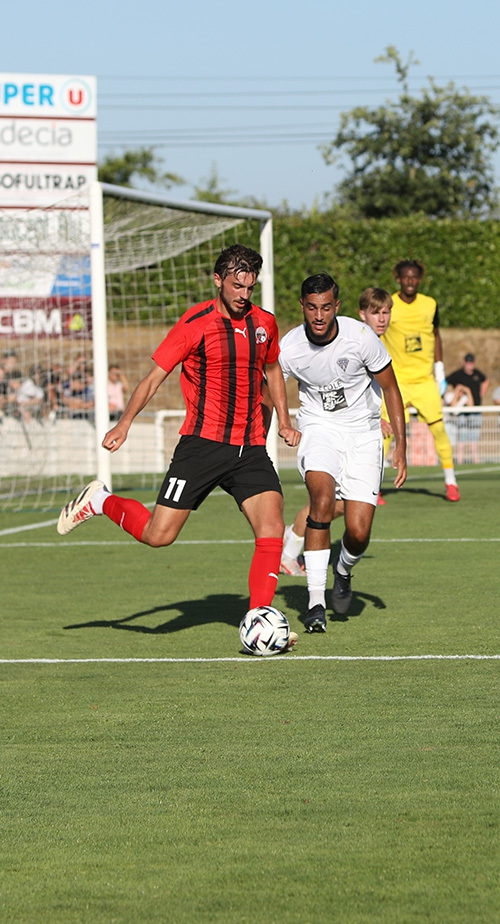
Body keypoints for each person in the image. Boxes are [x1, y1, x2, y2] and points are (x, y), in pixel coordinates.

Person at [57, 244, 301, 624]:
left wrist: (284, 421)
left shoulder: (264, 323)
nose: (243, 294)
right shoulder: (195, 323)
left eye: (249, 287)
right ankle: (100, 500)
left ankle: (259, 619)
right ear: (217, 280)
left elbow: (272, 372)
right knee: (159, 535)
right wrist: (124, 422)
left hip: (249, 448)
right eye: (236, 286)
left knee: (271, 528)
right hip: (202, 446)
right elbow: (154, 377)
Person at [279, 273, 406, 632]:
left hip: (363, 433)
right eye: (311, 308)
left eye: (326, 307)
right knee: (320, 501)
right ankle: (315, 603)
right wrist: (279, 423)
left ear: (336, 306)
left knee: (358, 531)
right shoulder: (290, 347)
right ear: (302, 306)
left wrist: (401, 445)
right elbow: (269, 387)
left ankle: (344, 570)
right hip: (318, 428)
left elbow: (390, 388)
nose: (319, 316)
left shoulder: (360, 337)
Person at [381, 260, 460, 502]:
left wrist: (440, 370)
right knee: (385, 434)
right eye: (406, 277)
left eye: (414, 277)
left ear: (420, 279)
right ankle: (374, 487)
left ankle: (451, 483)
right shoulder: (389, 305)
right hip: (396, 382)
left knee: (439, 429)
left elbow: (436, 335)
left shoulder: (430, 305)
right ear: (398, 279)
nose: (410, 281)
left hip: (424, 380)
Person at [446, 353, 489, 464]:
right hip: (462, 412)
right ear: (464, 362)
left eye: (471, 362)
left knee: (474, 438)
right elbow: (444, 382)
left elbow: (486, 381)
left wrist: (481, 394)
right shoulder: (458, 374)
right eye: (468, 362)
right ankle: (460, 461)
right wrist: (451, 394)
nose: (470, 365)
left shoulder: (477, 374)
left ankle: (476, 460)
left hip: (475, 411)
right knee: (462, 438)